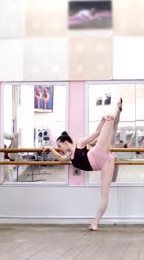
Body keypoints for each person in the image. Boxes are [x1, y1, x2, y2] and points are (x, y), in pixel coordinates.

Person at [44, 97, 123, 230]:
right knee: (104, 195)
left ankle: (116, 106)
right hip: (103, 163)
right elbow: (59, 158)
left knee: (109, 121)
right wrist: (50, 148)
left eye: (59, 145)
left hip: (98, 153)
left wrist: (102, 121)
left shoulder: (79, 143)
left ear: (65, 141)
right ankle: (95, 222)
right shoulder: (69, 157)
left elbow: (96, 133)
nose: (59, 148)